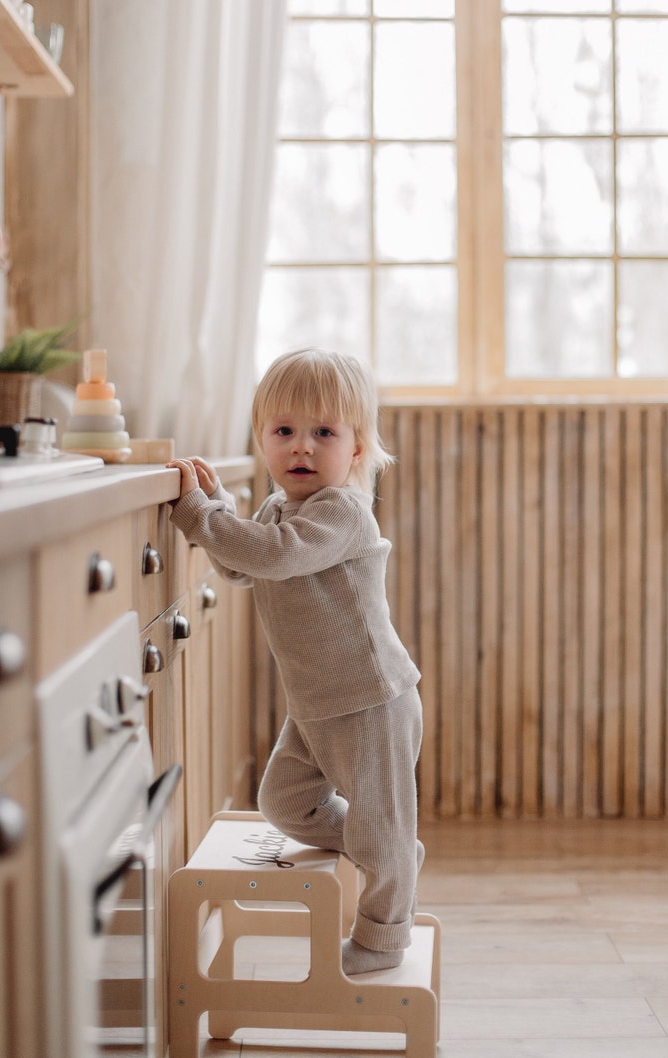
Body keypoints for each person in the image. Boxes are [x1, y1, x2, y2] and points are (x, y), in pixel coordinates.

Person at [167, 348, 423, 975]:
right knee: (284, 801)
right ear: (262, 439)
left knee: (379, 827)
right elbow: (239, 564)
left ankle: (383, 937)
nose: (301, 448)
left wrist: (201, 517)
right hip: (317, 703)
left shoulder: (342, 512)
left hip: (371, 701)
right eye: (284, 432)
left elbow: (277, 556)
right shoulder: (279, 510)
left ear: (357, 450)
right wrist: (216, 507)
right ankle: (385, 844)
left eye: (324, 434)